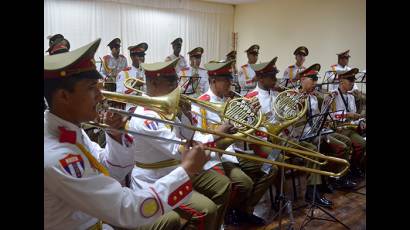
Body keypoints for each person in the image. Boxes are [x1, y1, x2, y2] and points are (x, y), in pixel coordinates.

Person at [44, 38, 210, 230]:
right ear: (64, 96)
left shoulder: (69, 130)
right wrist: (186, 171)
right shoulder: (57, 156)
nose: (101, 95)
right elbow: (127, 209)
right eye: (91, 88)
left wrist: (115, 137)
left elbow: (109, 170)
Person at [127, 58, 232, 230]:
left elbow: (188, 135)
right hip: (155, 181)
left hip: (173, 173)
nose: (176, 87)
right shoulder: (145, 117)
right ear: (153, 83)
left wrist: (186, 116)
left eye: (176, 81)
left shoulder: (164, 106)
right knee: (207, 209)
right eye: (171, 82)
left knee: (216, 198)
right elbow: (179, 150)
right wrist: (216, 136)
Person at [192, 60, 268, 227]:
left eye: (230, 79)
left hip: (232, 152)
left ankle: (242, 211)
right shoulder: (201, 104)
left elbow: (243, 129)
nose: (230, 83)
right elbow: (199, 139)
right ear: (213, 81)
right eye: (226, 80)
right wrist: (222, 131)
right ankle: (229, 213)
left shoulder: (231, 100)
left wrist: (252, 114)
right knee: (244, 183)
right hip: (214, 156)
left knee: (269, 167)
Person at [330, 68, 366, 178]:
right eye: (350, 80)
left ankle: (354, 167)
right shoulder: (333, 96)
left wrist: (360, 121)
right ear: (341, 81)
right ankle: (343, 172)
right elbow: (329, 116)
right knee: (356, 144)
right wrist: (346, 115)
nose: (353, 83)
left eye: (353, 81)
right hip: (338, 129)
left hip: (349, 129)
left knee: (363, 144)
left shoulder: (351, 96)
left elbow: (354, 116)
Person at [116, 42, 148, 111]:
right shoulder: (124, 73)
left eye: (143, 55)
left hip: (147, 106)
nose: (142, 58)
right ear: (132, 57)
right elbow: (119, 95)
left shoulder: (148, 72)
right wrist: (134, 85)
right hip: (131, 108)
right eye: (139, 56)